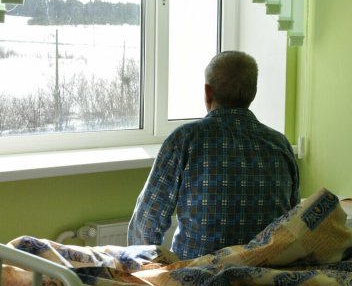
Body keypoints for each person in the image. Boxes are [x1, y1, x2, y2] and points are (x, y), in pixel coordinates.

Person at [127, 50, 299, 260]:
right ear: (253, 92)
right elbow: (292, 221)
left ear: (208, 92)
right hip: (263, 270)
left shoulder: (185, 139)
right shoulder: (280, 145)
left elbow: (147, 222)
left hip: (198, 273)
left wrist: (140, 271)